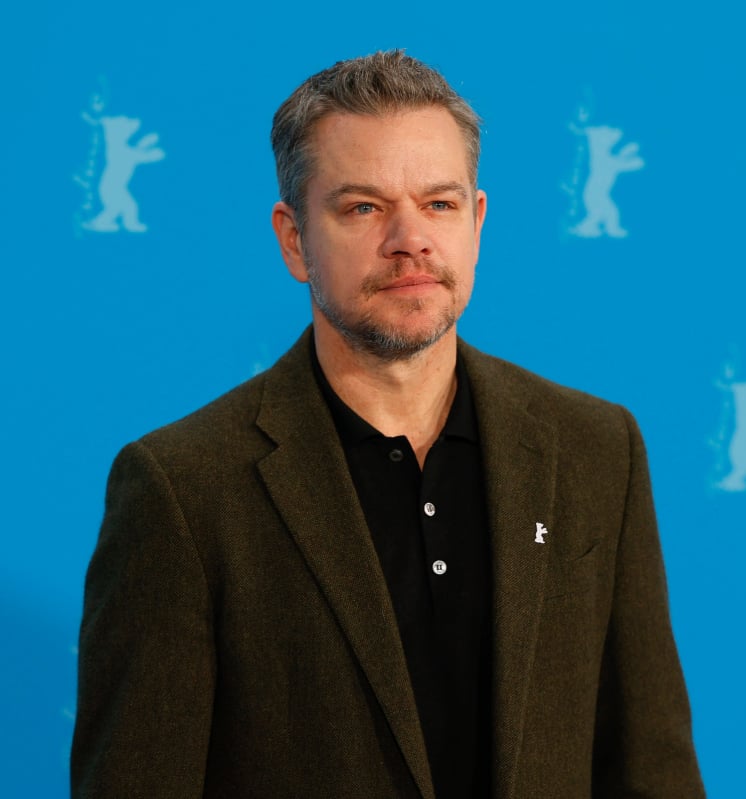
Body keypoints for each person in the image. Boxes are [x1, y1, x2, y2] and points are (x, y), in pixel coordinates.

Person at [71, 51, 704, 799]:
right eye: (364, 208)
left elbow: (652, 770)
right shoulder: (183, 490)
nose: (411, 238)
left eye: (439, 204)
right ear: (294, 240)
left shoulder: (595, 449)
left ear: (477, 222)